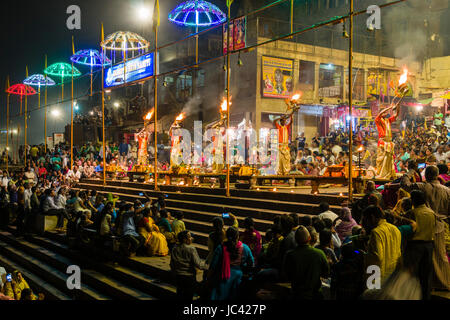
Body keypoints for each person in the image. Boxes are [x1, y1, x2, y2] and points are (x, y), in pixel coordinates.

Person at [403, 190, 436, 300]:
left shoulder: (412, 213)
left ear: (413, 200)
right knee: (426, 275)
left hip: (415, 246)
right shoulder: (431, 212)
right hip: (429, 246)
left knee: (412, 276)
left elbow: (407, 232)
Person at [282, 226, 329, 300]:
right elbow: (326, 273)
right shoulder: (319, 253)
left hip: (296, 294)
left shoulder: (290, 255)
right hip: (315, 294)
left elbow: (286, 275)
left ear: (296, 240)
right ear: (309, 238)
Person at [207, 227, 254, 300]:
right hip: (238, 277)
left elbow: (213, 265)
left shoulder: (221, 248)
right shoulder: (245, 248)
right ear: (237, 236)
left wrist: (209, 277)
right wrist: (248, 273)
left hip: (222, 276)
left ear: (226, 236)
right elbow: (251, 262)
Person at [361, 205, 402, 282]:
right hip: (392, 276)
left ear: (372, 218)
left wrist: (364, 255)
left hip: (378, 278)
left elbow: (376, 258)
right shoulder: (395, 229)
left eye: (365, 220)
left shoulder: (376, 232)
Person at [170, 230, 208, 300]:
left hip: (178, 276)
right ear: (185, 239)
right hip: (189, 277)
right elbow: (198, 264)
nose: (191, 239)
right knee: (188, 296)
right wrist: (208, 267)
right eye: (190, 237)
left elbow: (172, 263)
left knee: (180, 293)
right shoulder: (191, 249)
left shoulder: (174, 248)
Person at [375, 104, 399, 179]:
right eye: (384, 113)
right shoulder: (377, 120)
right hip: (383, 142)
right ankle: (382, 174)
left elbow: (396, 115)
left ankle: (388, 173)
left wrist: (397, 107)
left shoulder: (388, 120)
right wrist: (389, 107)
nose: (386, 114)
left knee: (389, 159)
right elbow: (379, 114)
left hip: (389, 142)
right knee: (383, 159)